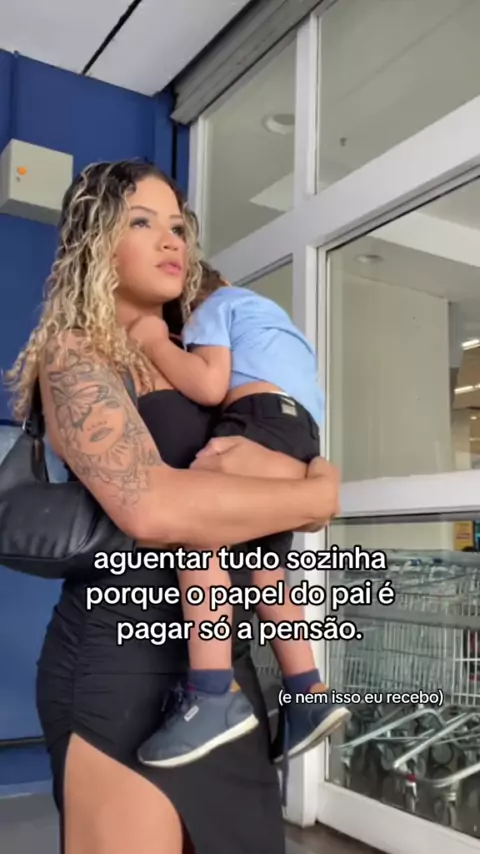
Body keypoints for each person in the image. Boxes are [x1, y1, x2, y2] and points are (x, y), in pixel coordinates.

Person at [5, 159, 340, 854]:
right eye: (141, 222)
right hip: (118, 673)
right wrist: (311, 496)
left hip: (222, 677)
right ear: (97, 244)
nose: (170, 240)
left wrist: (282, 490)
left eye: (178, 227)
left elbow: (256, 468)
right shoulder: (76, 355)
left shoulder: (200, 357)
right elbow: (153, 508)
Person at [130, 255, 350, 772]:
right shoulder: (273, 320)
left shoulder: (215, 307)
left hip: (258, 419)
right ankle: (308, 692)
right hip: (300, 436)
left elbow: (209, 385)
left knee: (198, 529)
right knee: (265, 570)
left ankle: (211, 693)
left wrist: (155, 341)